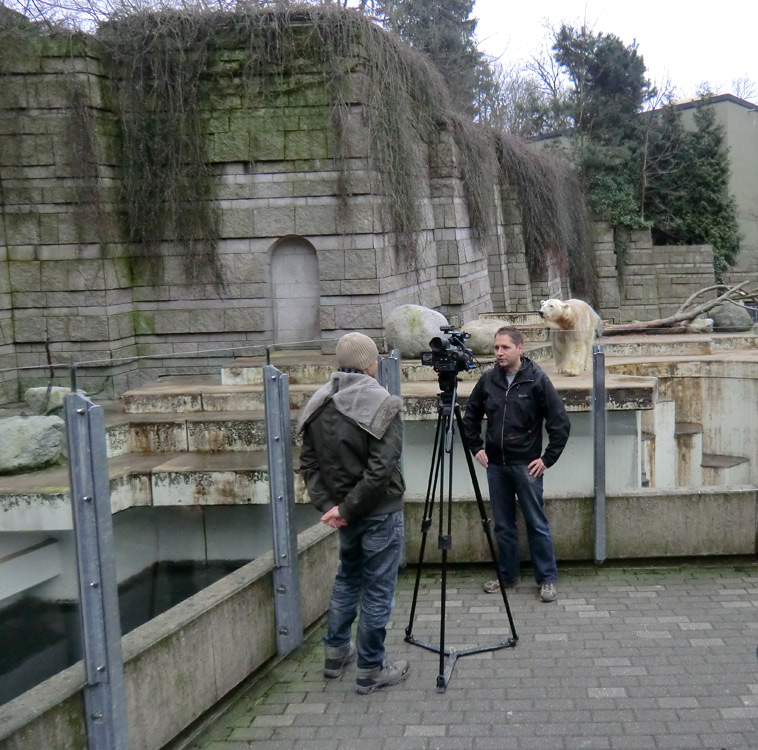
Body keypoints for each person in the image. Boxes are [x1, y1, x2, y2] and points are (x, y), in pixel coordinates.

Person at [298, 332, 410, 694]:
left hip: (344, 514)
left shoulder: (318, 403)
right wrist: (345, 509)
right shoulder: (382, 403)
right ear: (370, 363)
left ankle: (335, 656)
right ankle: (371, 668)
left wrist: (330, 507)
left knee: (347, 579)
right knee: (378, 590)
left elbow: (309, 463)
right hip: (378, 512)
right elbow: (381, 470)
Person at [462, 325, 570, 603]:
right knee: (503, 525)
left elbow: (560, 423)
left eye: (505, 347)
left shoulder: (536, 380)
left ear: (520, 349)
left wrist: (547, 459)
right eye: (496, 347)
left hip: (526, 465)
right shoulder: (488, 380)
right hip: (495, 466)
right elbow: (470, 418)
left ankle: (546, 579)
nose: (498, 352)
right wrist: (476, 448)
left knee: (536, 523)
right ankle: (507, 575)